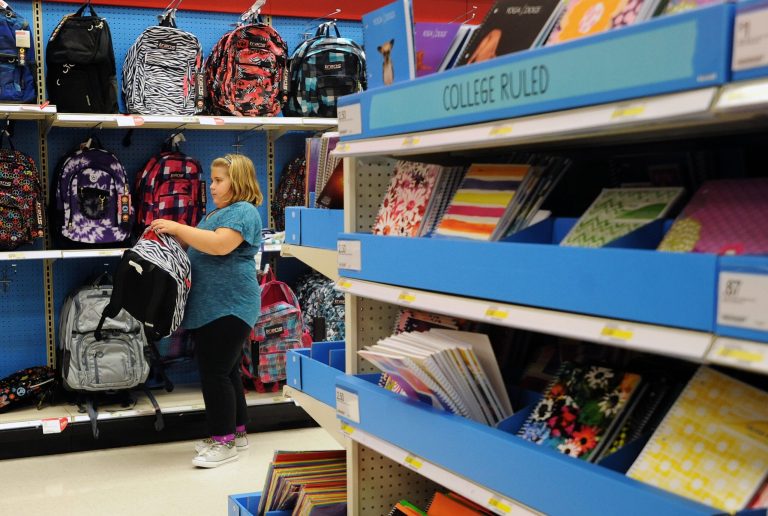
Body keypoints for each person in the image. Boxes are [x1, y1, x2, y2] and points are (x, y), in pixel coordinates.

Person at [150, 153, 263, 469]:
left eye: (218, 180)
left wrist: (178, 226)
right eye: (211, 180)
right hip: (217, 307)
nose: (211, 186)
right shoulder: (220, 212)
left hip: (229, 306)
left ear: (237, 181)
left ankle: (222, 441)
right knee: (226, 372)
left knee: (214, 372)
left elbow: (218, 245)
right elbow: (205, 244)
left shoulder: (243, 212)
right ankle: (237, 434)